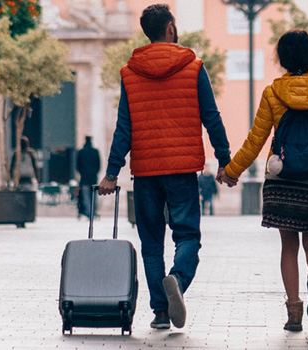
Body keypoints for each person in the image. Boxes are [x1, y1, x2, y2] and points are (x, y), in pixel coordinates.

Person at [97, 3, 233, 330]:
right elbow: (211, 117)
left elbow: (123, 128)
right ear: (170, 27)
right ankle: (178, 279)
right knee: (187, 236)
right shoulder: (193, 66)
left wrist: (111, 173)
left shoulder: (130, 73)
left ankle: (160, 311)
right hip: (183, 169)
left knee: (151, 242)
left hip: (145, 171)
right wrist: (225, 160)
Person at [223, 29, 308, 332]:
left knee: (287, 247)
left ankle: (294, 312)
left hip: (280, 179)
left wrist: (232, 171)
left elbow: (256, 139)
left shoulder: (272, 92)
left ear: (281, 58)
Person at [76, 136, 101, 219]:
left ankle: (88, 212)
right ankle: (93, 212)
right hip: (93, 177)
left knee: (86, 197)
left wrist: (82, 173)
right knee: (94, 196)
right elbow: (99, 165)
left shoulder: (81, 152)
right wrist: (95, 173)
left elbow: (77, 166)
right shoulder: (95, 151)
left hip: (84, 178)